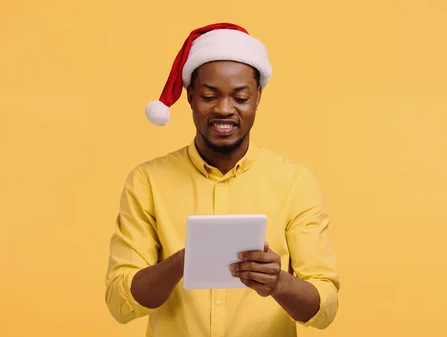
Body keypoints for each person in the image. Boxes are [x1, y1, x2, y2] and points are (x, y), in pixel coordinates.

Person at [104, 22, 340, 337]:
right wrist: (185, 262)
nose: (224, 109)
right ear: (189, 97)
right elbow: (120, 303)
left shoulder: (296, 182)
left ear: (258, 97)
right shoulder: (147, 181)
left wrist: (278, 282)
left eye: (240, 97)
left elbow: (324, 307)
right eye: (209, 95)